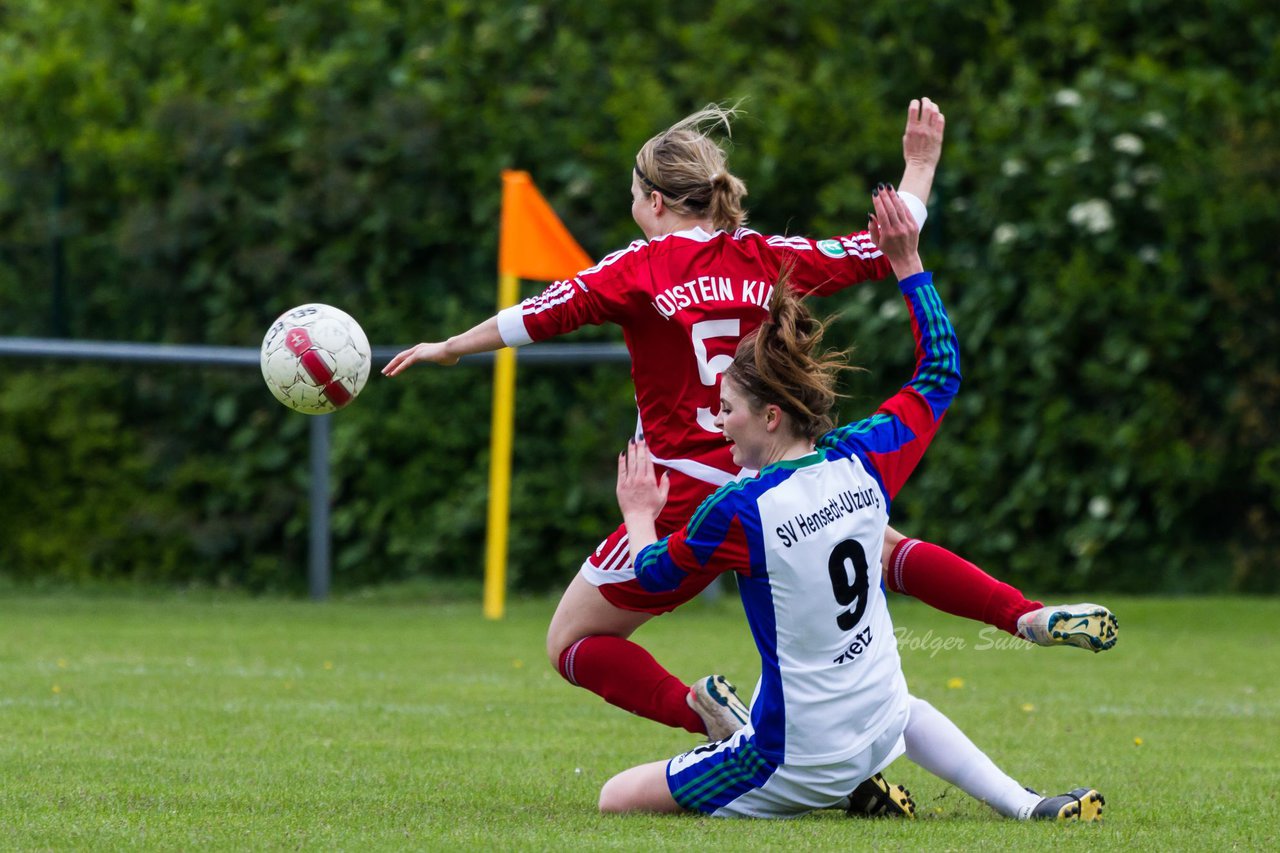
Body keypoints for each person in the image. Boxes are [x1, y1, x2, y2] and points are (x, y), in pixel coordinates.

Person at [383, 98, 1117, 745]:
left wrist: (449, 346)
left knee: (572, 640)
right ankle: (1022, 614)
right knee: (886, 549)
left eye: (634, 193)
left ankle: (708, 716)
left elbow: (537, 314)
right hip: (782, 467)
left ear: (656, 202)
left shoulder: (637, 266)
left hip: (684, 495)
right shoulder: (766, 254)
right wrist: (918, 166)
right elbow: (880, 248)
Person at [598, 186, 1104, 821]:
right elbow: (940, 371)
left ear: (771, 415)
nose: (719, 425)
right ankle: (1027, 804)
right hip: (877, 725)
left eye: (726, 411)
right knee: (904, 704)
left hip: (788, 763)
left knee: (614, 797)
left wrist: (638, 513)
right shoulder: (861, 458)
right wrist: (908, 266)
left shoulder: (738, 510)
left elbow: (652, 575)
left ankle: (830, 787)